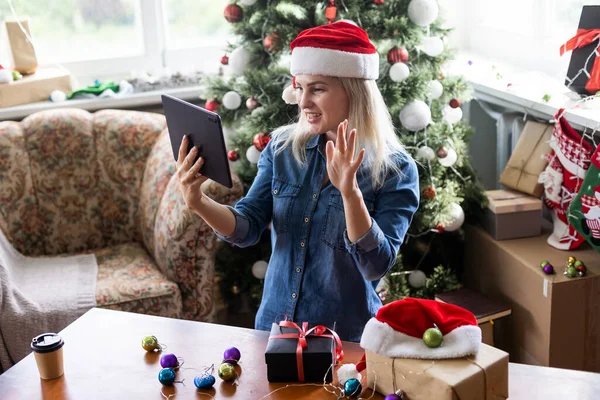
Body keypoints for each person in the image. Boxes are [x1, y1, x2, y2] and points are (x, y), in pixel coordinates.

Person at [176, 21, 419, 342]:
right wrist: (199, 202)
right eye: (300, 87)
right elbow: (247, 226)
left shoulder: (395, 169)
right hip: (274, 331)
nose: (303, 102)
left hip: (344, 341)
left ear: (355, 90)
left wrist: (350, 194)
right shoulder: (281, 149)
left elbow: (376, 266)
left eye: (317, 88)